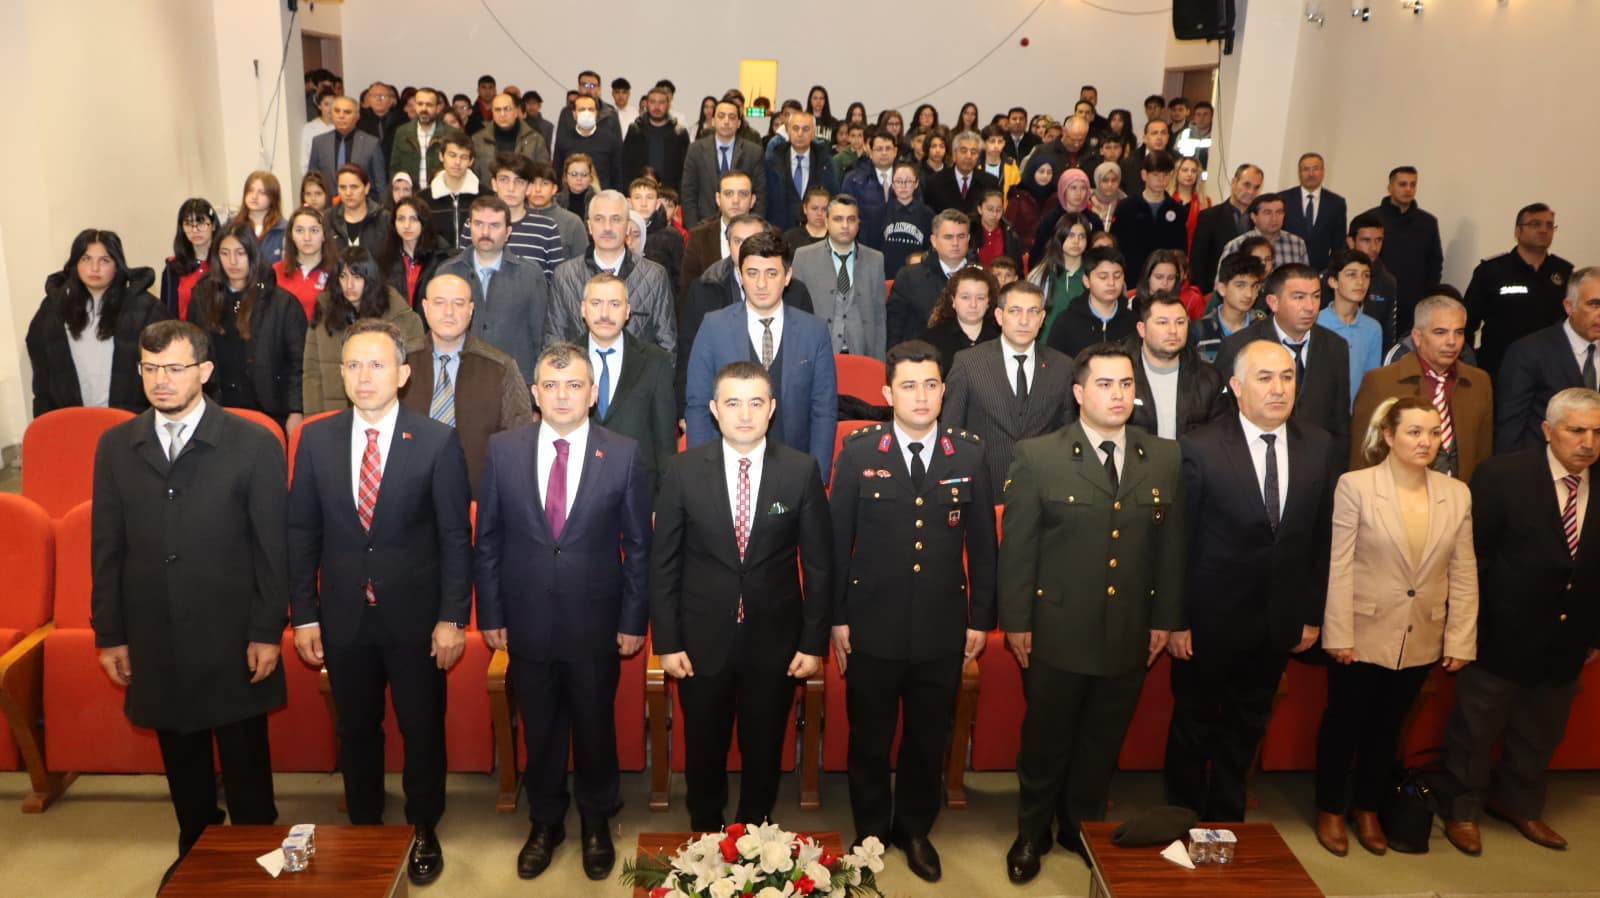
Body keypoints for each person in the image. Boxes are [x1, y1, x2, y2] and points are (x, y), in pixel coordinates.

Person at [91, 319, 287, 884]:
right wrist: (110, 632)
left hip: (233, 631)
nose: (161, 381)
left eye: (174, 369)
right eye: (150, 369)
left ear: (203, 371)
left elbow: (272, 548)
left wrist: (267, 629)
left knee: (246, 756)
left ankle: (258, 850)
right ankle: (197, 849)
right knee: (180, 752)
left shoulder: (252, 442)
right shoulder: (116, 445)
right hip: (155, 629)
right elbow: (107, 545)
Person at [289, 318, 471, 887]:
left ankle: (423, 826)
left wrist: (451, 618)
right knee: (357, 730)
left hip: (417, 620)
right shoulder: (315, 440)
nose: (364, 376)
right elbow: (302, 535)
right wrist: (305, 614)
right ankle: (366, 828)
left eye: (377, 364)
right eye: (353, 365)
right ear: (340, 374)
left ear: (403, 373)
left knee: (422, 727)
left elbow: (454, 540)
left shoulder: (437, 441)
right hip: (343, 617)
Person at [1001, 343, 1187, 883]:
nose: (1118, 394)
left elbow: (1171, 548)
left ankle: (1080, 829)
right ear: (1080, 393)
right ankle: (1031, 834)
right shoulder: (1039, 455)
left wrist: (1165, 619)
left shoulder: (1164, 456)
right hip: (1056, 629)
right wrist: (1016, 623)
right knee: (1046, 742)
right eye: (1105, 384)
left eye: (1127, 384)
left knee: (1101, 742)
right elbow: (1019, 549)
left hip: (1129, 627)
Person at [473, 340, 650, 881]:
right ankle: (545, 821)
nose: (562, 395)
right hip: (525, 621)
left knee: (596, 727)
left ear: (593, 393)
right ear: (534, 393)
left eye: (574, 384)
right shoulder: (503, 450)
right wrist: (492, 613)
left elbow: (638, 545)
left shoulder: (622, 453)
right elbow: (489, 541)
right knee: (542, 729)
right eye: (550, 386)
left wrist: (631, 621)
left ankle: (596, 820)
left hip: (596, 622)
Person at [830, 341, 995, 883]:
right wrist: (837, 618)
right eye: (908, 385)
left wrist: (979, 619)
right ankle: (872, 831)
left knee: (928, 739)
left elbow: (984, 547)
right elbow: (836, 545)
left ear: (944, 392)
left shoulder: (968, 453)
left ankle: (916, 828)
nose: (921, 396)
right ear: (887, 393)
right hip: (871, 625)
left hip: (941, 628)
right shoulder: (858, 453)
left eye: (930, 385)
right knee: (870, 740)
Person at [651, 360, 833, 832]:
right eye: (733, 403)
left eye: (756, 402)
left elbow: (818, 566)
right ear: (714, 409)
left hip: (774, 642)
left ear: (772, 409)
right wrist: (667, 642)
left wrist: (813, 643)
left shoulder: (800, 471)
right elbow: (664, 562)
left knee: (764, 745)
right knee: (704, 744)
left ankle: (756, 832)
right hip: (699, 640)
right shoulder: (684, 470)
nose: (745, 414)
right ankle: (706, 831)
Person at [1164, 339, 1339, 821]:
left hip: (1276, 621)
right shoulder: (1198, 447)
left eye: (1287, 376)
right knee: (1193, 724)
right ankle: (1180, 813)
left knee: (1246, 726)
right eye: (1265, 378)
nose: (1279, 388)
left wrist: (1309, 614)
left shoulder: (1320, 446)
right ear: (1237, 387)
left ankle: (1225, 817)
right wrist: (1177, 621)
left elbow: (1321, 539)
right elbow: (1179, 542)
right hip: (1207, 622)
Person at [1439, 387, 1600, 856]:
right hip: (1500, 632)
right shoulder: (1502, 475)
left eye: (1596, 432)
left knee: (1540, 730)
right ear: (1548, 431)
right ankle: (1460, 810)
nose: (1588, 442)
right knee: (1474, 728)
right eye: (1576, 430)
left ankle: (1519, 804)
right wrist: (1467, 626)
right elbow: (1473, 559)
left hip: (1567, 638)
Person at [1313, 395, 1476, 856]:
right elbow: (1339, 564)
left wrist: (1461, 636)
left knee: (1388, 728)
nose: (1425, 441)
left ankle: (1367, 807)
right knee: (1344, 722)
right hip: (1361, 631)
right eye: (1414, 431)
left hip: (1421, 633)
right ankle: (1329, 807)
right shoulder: (1356, 486)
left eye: (1432, 432)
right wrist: (1338, 632)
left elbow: (1463, 570)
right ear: (1388, 436)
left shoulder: (1456, 492)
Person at [684, 232, 838, 483]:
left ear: (787, 276)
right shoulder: (714, 326)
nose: (762, 283)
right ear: (740, 276)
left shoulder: (815, 331)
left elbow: (824, 410)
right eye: (752, 273)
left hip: (794, 471)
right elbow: (699, 405)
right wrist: (701, 475)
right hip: (726, 471)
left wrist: (818, 477)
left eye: (772, 273)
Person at [399, 272, 532, 497]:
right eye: (439, 303)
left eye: (458, 303)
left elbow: (520, 440)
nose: (449, 312)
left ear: (471, 309)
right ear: (425, 307)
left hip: (476, 498)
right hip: (407, 496)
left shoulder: (500, 366)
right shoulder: (400, 362)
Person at [676, 215, 816, 413]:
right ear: (728, 244)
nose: (746, 247)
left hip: (787, 410)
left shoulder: (796, 292)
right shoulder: (703, 288)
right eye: (738, 241)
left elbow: (809, 360)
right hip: (724, 409)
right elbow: (688, 352)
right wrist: (684, 410)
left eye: (754, 239)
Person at [943, 281, 1077, 488]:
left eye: (1033, 312)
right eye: (1015, 311)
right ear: (999, 316)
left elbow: (1067, 434)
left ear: (1042, 318)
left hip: (1044, 488)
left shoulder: (1063, 366)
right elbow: (951, 432)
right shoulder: (968, 363)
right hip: (983, 488)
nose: (1024, 320)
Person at [28, 229, 170, 417]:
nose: (94, 268)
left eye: (104, 260)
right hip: (74, 421)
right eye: (86, 259)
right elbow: (43, 379)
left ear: (117, 265)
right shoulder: (54, 308)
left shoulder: (145, 308)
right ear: (75, 264)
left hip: (131, 422)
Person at [185, 222, 306, 433]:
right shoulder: (202, 297)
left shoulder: (281, 302)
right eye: (225, 253)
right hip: (217, 407)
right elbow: (192, 353)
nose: (233, 261)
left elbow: (298, 364)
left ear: (253, 254)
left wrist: (296, 410)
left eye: (240, 253)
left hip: (269, 409)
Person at [1216, 263, 1352, 447]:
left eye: (1316, 296)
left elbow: (1340, 420)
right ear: (1273, 302)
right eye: (1299, 297)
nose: (1310, 307)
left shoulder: (1335, 346)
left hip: (1317, 460)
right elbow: (1224, 416)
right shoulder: (1238, 346)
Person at [574, 273, 676, 491]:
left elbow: (665, 443)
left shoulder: (656, 361)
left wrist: (664, 503)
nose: (604, 314)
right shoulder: (565, 361)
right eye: (596, 303)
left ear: (627, 311)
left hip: (639, 488)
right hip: (578, 487)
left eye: (614, 304)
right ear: (583, 309)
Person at [436, 196, 552, 385]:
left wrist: (535, 395)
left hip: (514, 386)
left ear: (508, 232)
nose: (485, 232)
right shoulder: (447, 272)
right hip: (457, 384)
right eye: (478, 224)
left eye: (494, 225)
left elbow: (541, 338)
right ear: (470, 227)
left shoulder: (530, 275)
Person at [546, 190, 676, 353]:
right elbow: (554, 342)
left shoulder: (654, 276)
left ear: (628, 226)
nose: (607, 227)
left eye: (616, 219)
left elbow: (667, 345)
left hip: (638, 377)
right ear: (589, 226)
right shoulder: (565, 276)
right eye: (599, 219)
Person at [303, 245, 426, 415]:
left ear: (370, 278)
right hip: (332, 416)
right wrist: (313, 420)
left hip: (384, 417)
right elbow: (311, 373)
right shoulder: (324, 312)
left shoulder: (401, 317)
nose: (349, 285)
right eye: (343, 277)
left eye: (357, 277)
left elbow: (415, 377)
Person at [1496, 268, 1600, 454]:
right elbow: (1510, 429)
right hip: (1542, 472)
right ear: (1569, 306)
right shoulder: (1529, 352)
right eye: (1594, 304)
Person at [1464, 203, 1574, 379]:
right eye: (1535, 224)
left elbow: (1572, 324)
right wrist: (1466, 368)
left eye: (1549, 225)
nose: (1544, 230)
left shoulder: (1564, 272)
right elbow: (1467, 322)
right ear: (1518, 231)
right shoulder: (1492, 270)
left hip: (1549, 369)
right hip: (1500, 367)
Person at [792, 195, 888, 360]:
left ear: (858, 223)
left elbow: (879, 316)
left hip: (861, 355)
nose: (845, 225)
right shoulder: (803, 257)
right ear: (827, 222)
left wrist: (879, 363)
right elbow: (794, 315)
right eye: (838, 219)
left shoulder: (875, 259)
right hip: (817, 354)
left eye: (851, 219)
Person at [1126, 291, 1227, 438]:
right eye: (1162, 322)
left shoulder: (1208, 378)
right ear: (1142, 329)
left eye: (1180, 322)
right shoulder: (1120, 374)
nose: (1173, 331)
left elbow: (1221, 434)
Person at [1365, 166, 1443, 334]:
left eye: (1413, 184)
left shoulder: (1427, 222)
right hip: (1377, 298)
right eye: (1402, 184)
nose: (1408, 189)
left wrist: (1427, 296)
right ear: (1390, 187)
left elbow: (1435, 262)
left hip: (1414, 302)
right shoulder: (1371, 220)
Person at [887, 210, 973, 347]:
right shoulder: (909, 277)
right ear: (934, 241)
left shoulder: (982, 278)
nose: (955, 243)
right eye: (948, 237)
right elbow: (894, 329)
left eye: (961, 236)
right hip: (922, 359)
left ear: (968, 239)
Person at [681, 99, 767, 228]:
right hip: (703, 226)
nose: (726, 121)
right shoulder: (696, 150)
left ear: (739, 123)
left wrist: (752, 227)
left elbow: (760, 195)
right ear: (713, 121)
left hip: (742, 225)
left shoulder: (753, 152)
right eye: (721, 116)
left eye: (732, 117)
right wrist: (693, 230)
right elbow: (688, 193)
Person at [1317, 249, 1384, 407]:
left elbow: (1371, 381)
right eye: (1351, 274)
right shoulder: (1315, 323)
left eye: (1366, 275)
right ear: (1333, 281)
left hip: (1356, 414)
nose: (1360, 282)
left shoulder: (1372, 328)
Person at [1048, 246, 1137, 358]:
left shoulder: (1132, 321)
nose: (1111, 283)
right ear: (1086, 281)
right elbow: (1053, 365)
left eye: (1117, 276)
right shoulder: (1066, 322)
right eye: (1103, 277)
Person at [1190, 164, 1265, 293]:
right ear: (1234, 182)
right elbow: (1198, 262)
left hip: (1251, 292)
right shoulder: (1209, 217)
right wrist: (1202, 295)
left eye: (1256, 187)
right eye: (1246, 185)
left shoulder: (1261, 220)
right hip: (1215, 292)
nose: (1251, 192)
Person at [679, 170, 758, 292]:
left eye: (743, 194)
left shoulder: (769, 236)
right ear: (718, 199)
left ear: (752, 200)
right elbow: (687, 290)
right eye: (728, 193)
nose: (736, 200)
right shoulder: (698, 237)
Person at [763, 111, 838, 229]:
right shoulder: (773, 161)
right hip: (780, 232)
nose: (800, 133)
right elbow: (765, 199)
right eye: (795, 128)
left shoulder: (825, 162)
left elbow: (833, 198)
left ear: (813, 133)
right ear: (788, 131)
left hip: (816, 232)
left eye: (806, 129)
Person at [923, 267, 1002, 377]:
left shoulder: (1001, 337)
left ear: (988, 302)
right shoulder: (932, 340)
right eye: (965, 297)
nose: (973, 305)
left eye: (980, 298)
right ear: (953, 301)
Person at [1342, 212, 1404, 354]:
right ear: (1351, 242)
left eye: (1378, 240)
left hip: (1371, 357)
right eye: (1366, 240)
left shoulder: (1387, 282)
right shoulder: (1332, 276)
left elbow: (1388, 333)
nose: (1373, 248)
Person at [1190, 252, 1266, 363]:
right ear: (1222, 288)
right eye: (1240, 285)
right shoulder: (1199, 330)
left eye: (1254, 286)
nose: (1249, 294)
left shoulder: (1264, 327)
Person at [310, 96, 388, 204]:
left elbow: (380, 185)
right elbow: (312, 180)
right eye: (337, 111)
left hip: (363, 210)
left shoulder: (371, 143)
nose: (341, 116)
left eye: (347, 112)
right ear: (331, 114)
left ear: (357, 116)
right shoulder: (319, 142)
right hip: (328, 210)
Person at [380, 196, 453, 311]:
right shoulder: (385, 257)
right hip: (396, 325)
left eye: (413, 219)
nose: (407, 225)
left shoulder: (441, 257)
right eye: (401, 219)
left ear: (424, 222)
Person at [1028, 213, 1091, 344]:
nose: (1076, 241)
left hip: (1083, 348)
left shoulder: (1093, 274)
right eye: (1071, 235)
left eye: (1082, 236)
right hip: (1046, 346)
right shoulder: (1040, 274)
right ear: (1060, 237)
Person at [1280, 153, 1348, 272]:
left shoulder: (1336, 203)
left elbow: (1339, 244)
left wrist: (1332, 271)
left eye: (1315, 169)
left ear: (1323, 172)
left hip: (1320, 271)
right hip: (1287, 268)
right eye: (1306, 169)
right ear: (1299, 173)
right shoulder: (1282, 199)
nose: (1311, 174)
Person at [840, 129, 902, 252]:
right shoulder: (854, 179)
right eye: (879, 149)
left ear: (895, 152)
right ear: (870, 152)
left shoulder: (908, 179)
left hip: (899, 247)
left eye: (888, 148)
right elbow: (845, 215)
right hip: (864, 248)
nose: (884, 153)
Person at [420, 130, 481, 251]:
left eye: (463, 157)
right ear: (441, 156)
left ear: (471, 161)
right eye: (452, 155)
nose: (457, 162)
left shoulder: (484, 196)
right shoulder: (423, 199)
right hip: (437, 266)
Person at [1220, 194, 1310, 274]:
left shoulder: (1297, 244)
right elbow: (1222, 284)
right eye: (1267, 212)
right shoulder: (1236, 245)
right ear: (1253, 217)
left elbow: (1304, 279)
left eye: (1279, 212)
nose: (1274, 218)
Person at [471, 93, 550, 185]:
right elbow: (473, 174)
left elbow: (543, 173)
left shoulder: (535, 139)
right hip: (488, 196)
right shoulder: (478, 140)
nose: (502, 114)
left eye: (507, 109)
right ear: (492, 112)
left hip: (524, 196)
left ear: (516, 111)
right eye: (497, 110)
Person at [621, 86, 690, 189]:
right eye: (653, 102)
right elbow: (625, 166)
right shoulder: (635, 131)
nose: (657, 106)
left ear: (668, 105)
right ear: (647, 104)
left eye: (661, 102)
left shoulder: (679, 133)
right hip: (640, 191)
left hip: (670, 194)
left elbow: (686, 169)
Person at [161, 200, 219, 320]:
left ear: (213, 225)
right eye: (188, 224)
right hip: (183, 335)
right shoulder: (173, 268)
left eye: (201, 223)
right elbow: (167, 314)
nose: (195, 230)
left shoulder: (225, 263)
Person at [553, 95, 623, 190]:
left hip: (601, 197)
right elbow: (557, 171)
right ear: (574, 114)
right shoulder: (564, 139)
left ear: (596, 113)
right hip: (570, 197)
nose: (586, 113)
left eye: (591, 109)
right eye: (582, 110)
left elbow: (617, 174)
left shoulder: (610, 139)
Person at [924, 131, 1000, 217]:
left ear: (978, 156)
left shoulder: (990, 183)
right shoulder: (935, 182)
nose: (968, 156)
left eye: (973, 152)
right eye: (963, 151)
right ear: (954, 154)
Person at [527, 161, 588, 265]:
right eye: (532, 184)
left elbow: (582, 265)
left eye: (544, 184)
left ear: (554, 189)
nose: (538, 189)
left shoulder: (572, 222)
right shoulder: (513, 219)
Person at [881, 162, 934, 277]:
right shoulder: (881, 212)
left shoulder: (927, 214)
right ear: (893, 184)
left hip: (917, 275)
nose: (903, 186)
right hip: (887, 274)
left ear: (916, 184)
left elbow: (931, 249)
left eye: (909, 181)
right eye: (899, 181)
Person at [389, 87, 444, 187]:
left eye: (429, 105)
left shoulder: (450, 133)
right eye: (420, 104)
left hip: (439, 193)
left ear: (438, 108)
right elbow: (395, 168)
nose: (424, 109)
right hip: (411, 194)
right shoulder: (402, 132)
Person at [331, 164, 393, 252]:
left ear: (366, 188)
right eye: (343, 187)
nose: (348, 193)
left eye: (354, 187)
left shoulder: (383, 218)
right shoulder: (328, 218)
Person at [237, 172, 286, 264]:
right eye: (250, 190)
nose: (254, 196)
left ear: (273, 197)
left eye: (262, 192)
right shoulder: (232, 226)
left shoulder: (284, 229)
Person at [971, 189, 1021, 269]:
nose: (994, 214)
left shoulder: (1010, 235)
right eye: (990, 209)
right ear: (980, 209)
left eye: (998, 210)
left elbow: (1017, 267)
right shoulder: (969, 231)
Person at [357, 82, 407, 161]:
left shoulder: (402, 119)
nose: (378, 99)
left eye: (383, 96)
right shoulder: (359, 120)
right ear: (369, 99)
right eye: (374, 96)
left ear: (391, 100)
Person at [1119, 118, 1171, 190]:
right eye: (1154, 133)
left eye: (1163, 133)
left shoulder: (1177, 160)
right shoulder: (1129, 163)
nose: (1159, 137)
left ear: (1168, 137)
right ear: (1145, 138)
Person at [782, 184, 832, 250]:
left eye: (824, 209)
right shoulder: (790, 238)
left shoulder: (836, 237)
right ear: (805, 209)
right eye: (814, 208)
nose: (819, 213)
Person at [1088, 162, 1125, 229]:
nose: (1110, 185)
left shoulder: (1124, 203)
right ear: (1097, 180)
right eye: (1105, 180)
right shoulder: (1086, 200)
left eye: (1114, 180)